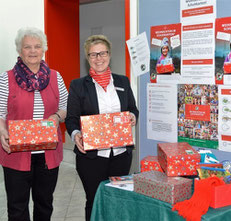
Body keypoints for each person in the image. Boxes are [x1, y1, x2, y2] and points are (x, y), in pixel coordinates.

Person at [65, 35, 139, 221]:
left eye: (102, 53)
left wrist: (132, 117)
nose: (98, 58)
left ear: (109, 54)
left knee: (117, 199)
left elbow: (133, 109)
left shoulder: (122, 81)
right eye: (93, 55)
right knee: (94, 200)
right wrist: (76, 135)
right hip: (91, 156)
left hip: (121, 154)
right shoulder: (78, 85)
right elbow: (72, 119)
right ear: (88, 58)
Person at [0, 27, 68, 221]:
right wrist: (2, 131)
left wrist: (56, 117)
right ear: (20, 51)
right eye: (27, 47)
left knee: (44, 205)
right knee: (17, 208)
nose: (32, 51)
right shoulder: (7, 78)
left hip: (47, 155)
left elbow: (65, 105)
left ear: (43, 49)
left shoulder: (55, 77)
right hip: (16, 154)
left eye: (37, 46)